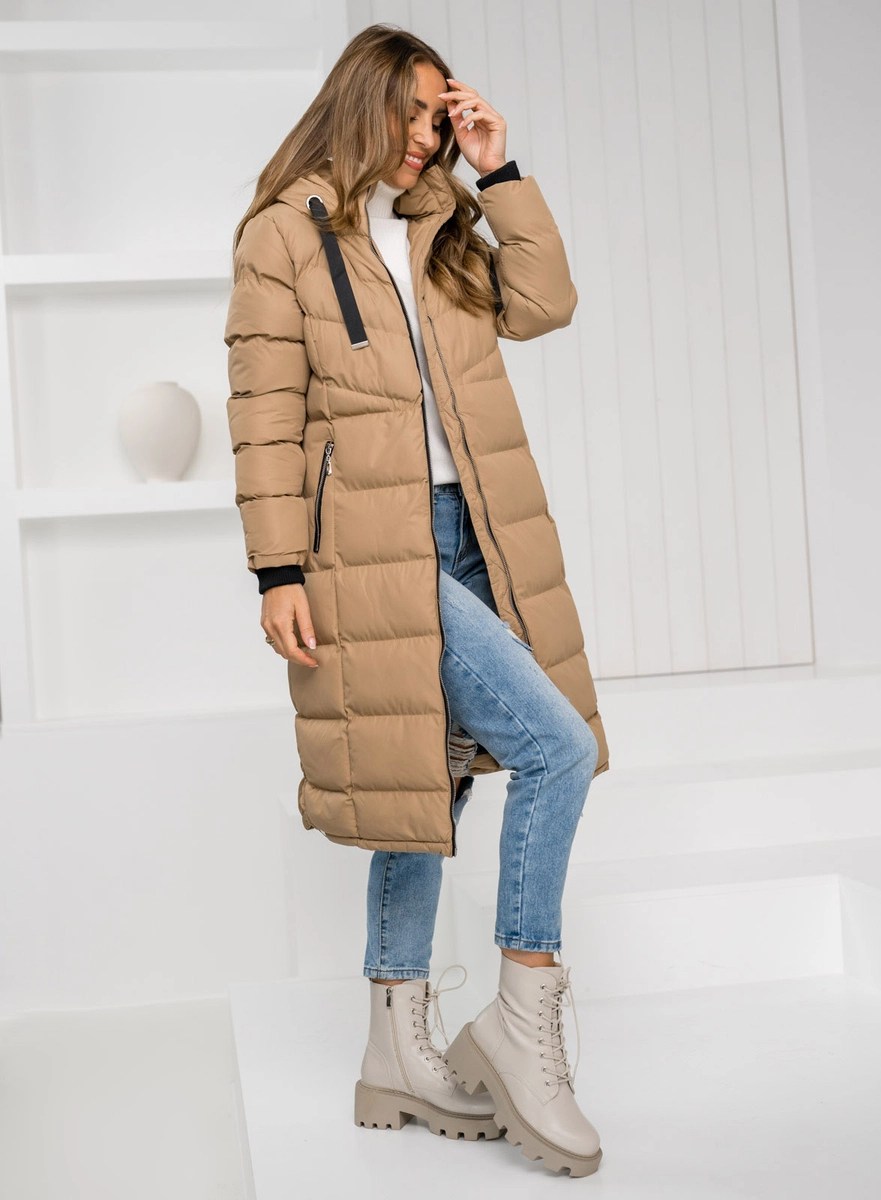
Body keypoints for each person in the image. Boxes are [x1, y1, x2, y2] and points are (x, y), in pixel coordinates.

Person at [224, 23, 609, 1178]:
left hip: (473, 533)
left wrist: (498, 170)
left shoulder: (444, 222)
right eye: (407, 111)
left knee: (425, 785)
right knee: (556, 749)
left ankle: (394, 1048)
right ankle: (522, 1012)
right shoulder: (283, 235)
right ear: (358, 104)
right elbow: (264, 415)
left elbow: (546, 303)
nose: (423, 133)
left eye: (438, 114)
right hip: (367, 550)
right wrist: (279, 571)